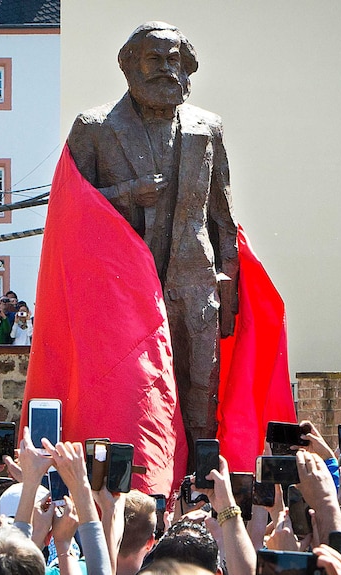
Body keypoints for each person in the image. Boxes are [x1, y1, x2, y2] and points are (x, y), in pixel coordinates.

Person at [67, 21, 239, 459]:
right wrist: (127, 194)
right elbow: (69, 210)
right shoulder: (95, 128)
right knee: (135, 396)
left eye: (174, 60)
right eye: (154, 59)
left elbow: (222, 214)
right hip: (121, 289)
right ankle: (137, 488)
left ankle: (201, 491)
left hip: (195, 282)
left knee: (201, 394)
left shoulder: (207, 128)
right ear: (130, 67)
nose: (166, 69)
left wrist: (228, 283)